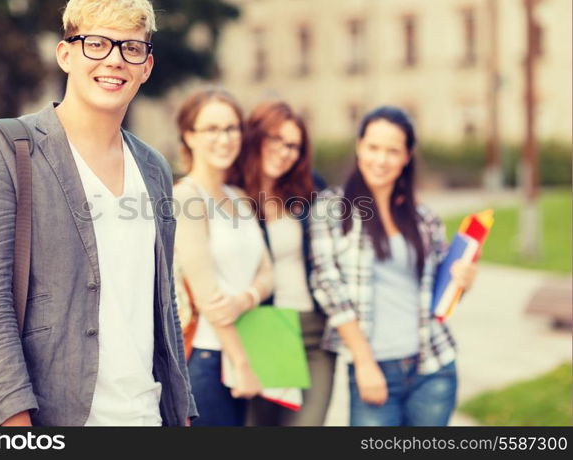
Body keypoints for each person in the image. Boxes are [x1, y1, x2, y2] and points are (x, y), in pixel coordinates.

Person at [0, 0, 196, 426]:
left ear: (146, 67)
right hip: (54, 418)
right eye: (97, 43)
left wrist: (180, 410)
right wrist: (15, 421)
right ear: (66, 54)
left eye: (130, 49)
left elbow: (163, 301)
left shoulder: (155, 167)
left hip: (147, 415)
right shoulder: (4, 149)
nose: (114, 60)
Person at [309, 106, 478, 426]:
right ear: (359, 147)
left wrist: (462, 283)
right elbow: (327, 286)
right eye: (373, 148)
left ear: (407, 157)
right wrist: (364, 362)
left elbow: (436, 293)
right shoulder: (331, 209)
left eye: (393, 151)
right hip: (374, 366)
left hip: (433, 366)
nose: (381, 159)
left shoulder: (424, 218)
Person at [227, 101, 334, 426]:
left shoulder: (309, 189)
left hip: (315, 331)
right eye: (276, 140)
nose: (284, 152)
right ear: (255, 137)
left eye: (294, 146)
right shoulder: (231, 194)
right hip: (262, 328)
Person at [172, 88, 274, 426]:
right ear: (189, 136)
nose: (224, 138)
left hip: (249, 347)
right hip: (208, 357)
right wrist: (241, 364)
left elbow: (267, 274)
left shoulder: (240, 197)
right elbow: (208, 296)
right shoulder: (187, 197)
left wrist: (244, 300)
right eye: (212, 129)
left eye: (231, 128)